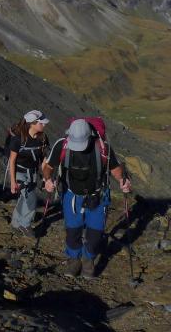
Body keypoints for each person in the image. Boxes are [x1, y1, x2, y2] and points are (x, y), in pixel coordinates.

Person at [42, 118, 131, 277]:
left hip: (98, 194)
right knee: (72, 231)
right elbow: (48, 166)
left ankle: (88, 260)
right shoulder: (62, 145)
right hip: (72, 195)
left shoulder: (103, 148)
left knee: (95, 233)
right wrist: (47, 179)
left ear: (90, 136)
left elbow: (115, 169)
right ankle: (74, 260)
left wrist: (122, 181)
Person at [6, 110, 50, 237]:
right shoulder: (18, 139)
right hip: (19, 172)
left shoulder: (42, 138)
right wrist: (13, 181)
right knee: (31, 199)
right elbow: (12, 160)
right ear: (32, 123)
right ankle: (25, 224)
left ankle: (15, 223)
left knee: (23, 198)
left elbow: (44, 160)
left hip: (32, 173)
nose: (44, 125)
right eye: (41, 123)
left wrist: (46, 178)